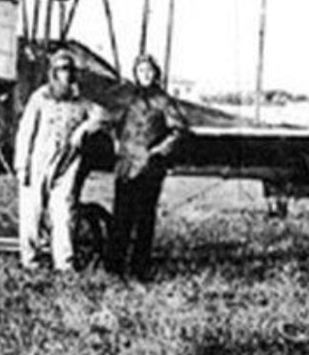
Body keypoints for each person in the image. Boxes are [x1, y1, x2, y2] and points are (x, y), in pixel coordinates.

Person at [14, 49, 108, 271]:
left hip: (67, 165)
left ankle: (64, 264)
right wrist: (21, 165)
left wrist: (84, 129)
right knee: (32, 213)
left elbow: (102, 115)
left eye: (70, 70)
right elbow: (25, 131)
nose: (67, 74)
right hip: (39, 161)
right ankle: (30, 262)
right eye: (62, 69)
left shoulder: (80, 101)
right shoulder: (40, 98)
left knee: (64, 213)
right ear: (54, 73)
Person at [106, 54, 189, 281]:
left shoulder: (164, 101)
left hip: (150, 167)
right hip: (125, 165)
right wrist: (117, 143)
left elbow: (180, 129)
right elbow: (113, 123)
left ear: (156, 73)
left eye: (149, 71)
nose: (145, 75)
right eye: (141, 71)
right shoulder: (128, 99)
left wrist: (158, 151)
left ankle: (139, 269)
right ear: (135, 74)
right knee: (121, 216)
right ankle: (114, 268)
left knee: (144, 218)